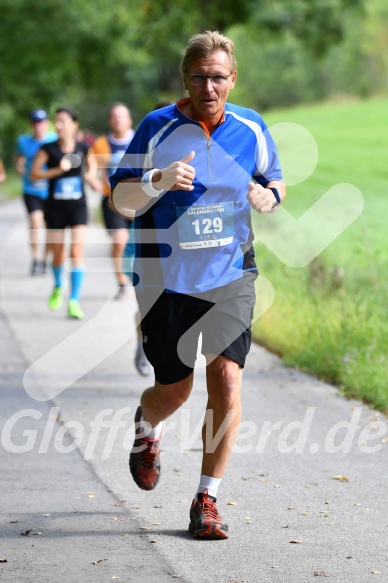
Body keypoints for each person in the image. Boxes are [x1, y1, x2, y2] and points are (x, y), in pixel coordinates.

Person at [110, 31, 286, 540]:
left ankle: (206, 498)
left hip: (231, 272)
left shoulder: (251, 127)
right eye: (198, 76)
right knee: (175, 390)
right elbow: (121, 200)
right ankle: (148, 425)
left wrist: (268, 197)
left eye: (218, 77)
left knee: (227, 379)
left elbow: (274, 181)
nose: (208, 86)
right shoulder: (157, 127)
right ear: (184, 79)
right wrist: (158, 181)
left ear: (232, 79)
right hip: (166, 278)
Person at [88, 103, 150, 376]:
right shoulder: (101, 144)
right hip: (112, 200)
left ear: (129, 119)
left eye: (121, 116)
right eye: (113, 116)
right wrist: (91, 178)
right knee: (120, 241)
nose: (117, 120)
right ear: (110, 120)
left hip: (139, 201)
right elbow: (91, 167)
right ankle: (123, 282)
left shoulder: (140, 139)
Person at [30, 107, 90, 320]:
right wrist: (58, 169)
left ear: (74, 124)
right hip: (55, 207)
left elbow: (91, 170)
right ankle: (58, 284)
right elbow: (34, 174)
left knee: (76, 251)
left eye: (63, 121)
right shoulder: (48, 149)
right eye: (57, 122)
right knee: (58, 253)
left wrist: (93, 178)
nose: (59, 126)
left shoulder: (83, 147)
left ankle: (73, 300)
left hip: (78, 207)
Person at [15, 109, 57, 275]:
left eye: (41, 122)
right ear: (31, 124)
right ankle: (36, 258)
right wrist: (19, 165)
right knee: (34, 222)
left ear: (46, 123)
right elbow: (18, 156)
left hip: (50, 189)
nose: (38, 125)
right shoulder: (23, 141)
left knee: (49, 227)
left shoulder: (54, 139)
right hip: (31, 188)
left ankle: (45, 260)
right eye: (35, 122)